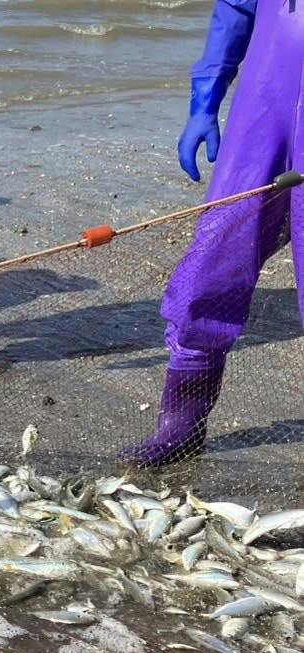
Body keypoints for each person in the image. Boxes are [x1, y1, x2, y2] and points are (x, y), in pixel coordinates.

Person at [122, 0, 298, 468]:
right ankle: (181, 428)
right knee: (212, 264)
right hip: (262, 112)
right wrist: (205, 102)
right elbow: (234, 10)